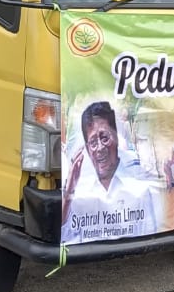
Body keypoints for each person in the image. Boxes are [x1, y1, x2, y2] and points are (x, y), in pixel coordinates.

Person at [61, 101, 163, 242]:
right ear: (87, 148)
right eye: (93, 143)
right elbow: (66, 236)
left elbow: (150, 236)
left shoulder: (139, 186)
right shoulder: (78, 190)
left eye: (104, 138)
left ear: (116, 137)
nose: (100, 148)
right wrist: (69, 193)